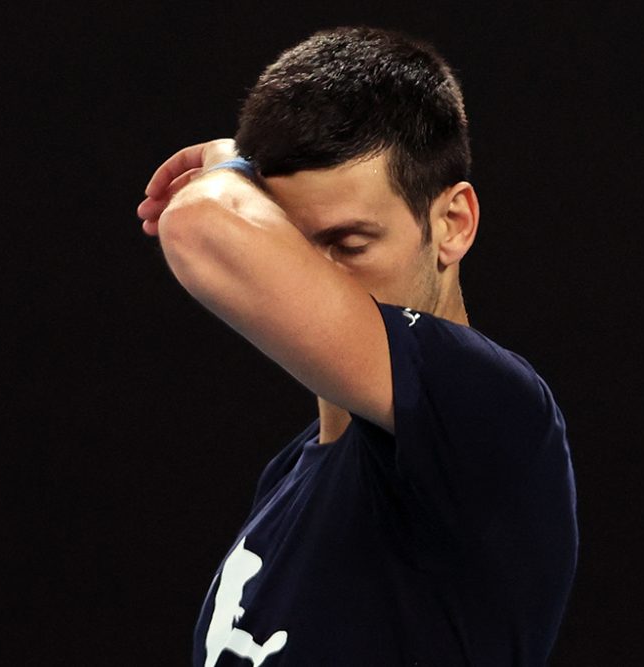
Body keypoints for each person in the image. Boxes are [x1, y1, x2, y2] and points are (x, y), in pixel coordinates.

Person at [137, 26, 577, 667]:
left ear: (451, 224)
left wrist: (228, 164)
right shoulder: (292, 474)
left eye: (348, 245)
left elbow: (199, 224)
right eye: (288, 245)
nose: (309, 277)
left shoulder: (493, 411)